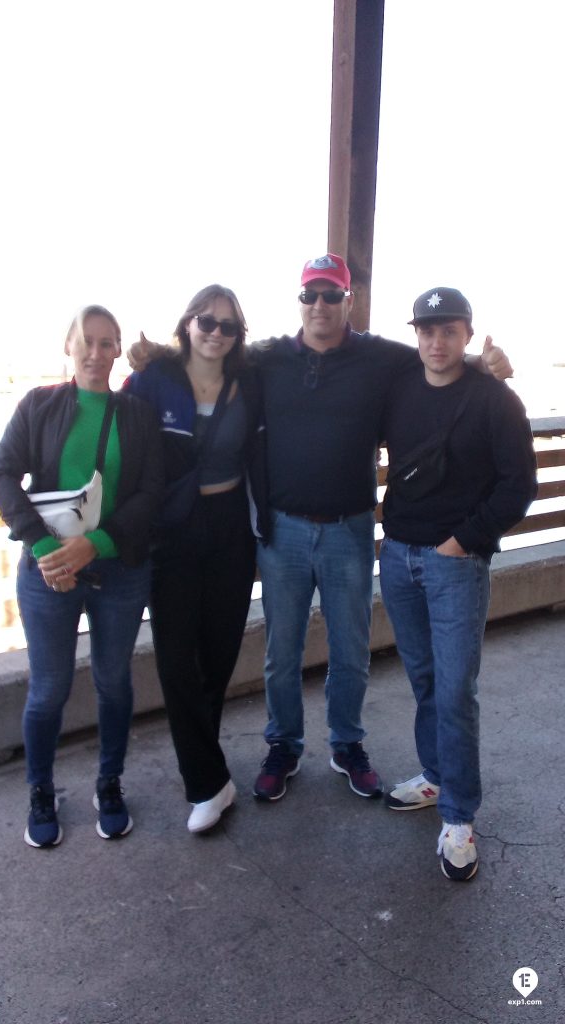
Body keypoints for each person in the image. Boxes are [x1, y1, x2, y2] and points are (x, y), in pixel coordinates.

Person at [128, 256, 511, 807]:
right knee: (281, 652)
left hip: (349, 530)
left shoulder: (381, 358)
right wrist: (156, 354)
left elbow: (439, 356)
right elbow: (210, 350)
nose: (320, 306)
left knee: (351, 650)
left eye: (332, 295)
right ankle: (282, 746)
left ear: (348, 300)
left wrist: (484, 360)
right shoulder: (268, 358)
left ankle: (347, 745)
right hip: (282, 532)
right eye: (310, 295)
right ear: (299, 301)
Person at [0, 305, 164, 848]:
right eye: (86, 341)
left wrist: (97, 544)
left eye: (107, 342)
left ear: (117, 351)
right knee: (48, 691)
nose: (96, 351)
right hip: (48, 570)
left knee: (114, 682)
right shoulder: (39, 405)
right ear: (69, 347)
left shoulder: (135, 414)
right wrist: (46, 548)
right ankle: (41, 790)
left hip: (117, 569)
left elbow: (150, 493)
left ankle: (108, 783)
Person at [379, 286, 537, 880]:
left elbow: (518, 486)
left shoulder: (495, 399)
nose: (436, 341)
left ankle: (459, 815)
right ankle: (435, 775)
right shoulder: (399, 387)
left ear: (468, 333)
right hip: (396, 557)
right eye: (427, 330)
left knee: (455, 690)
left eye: (449, 331)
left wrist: (461, 541)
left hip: (455, 564)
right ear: (415, 335)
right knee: (423, 678)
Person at [125, 285, 264, 834]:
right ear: (187, 324)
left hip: (231, 527)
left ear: (238, 336)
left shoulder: (250, 380)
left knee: (220, 651)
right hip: (173, 530)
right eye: (206, 321)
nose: (215, 332)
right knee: (176, 658)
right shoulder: (153, 378)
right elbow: (118, 441)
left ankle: (209, 773)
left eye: (227, 325)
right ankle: (207, 783)